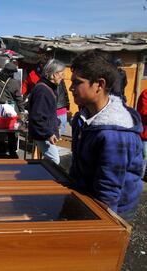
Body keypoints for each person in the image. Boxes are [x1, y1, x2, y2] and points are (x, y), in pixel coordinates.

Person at [69, 50, 143, 221]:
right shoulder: (83, 117)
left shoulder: (115, 133)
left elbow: (108, 191)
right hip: (86, 199)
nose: (71, 88)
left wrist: (102, 229)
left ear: (99, 85)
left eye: (77, 82)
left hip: (109, 211)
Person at [28, 59, 65, 165]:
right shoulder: (43, 90)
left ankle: (38, 178)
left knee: (48, 160)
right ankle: (41, 180)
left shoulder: (47, 87)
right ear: (54, 75)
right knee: (54, 161)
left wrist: (56, 124)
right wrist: (49, 133)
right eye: (61, 74)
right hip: (43, 133)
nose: (63, 77)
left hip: (45, 132)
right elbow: (37, 116)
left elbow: (48, 113)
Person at [0, 62, 24, 158]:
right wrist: (22, 111)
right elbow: (19, 99)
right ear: (12, 73)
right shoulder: (15, 83)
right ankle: (12, 152)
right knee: (11, 132)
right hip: (10, 112)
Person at [136, 88, 147, 181]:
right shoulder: (145, 93)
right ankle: (139, 178)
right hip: (145, 134)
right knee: (144, 156)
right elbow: (143, 112)